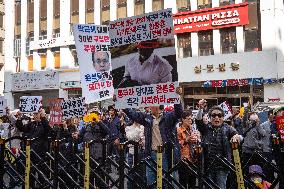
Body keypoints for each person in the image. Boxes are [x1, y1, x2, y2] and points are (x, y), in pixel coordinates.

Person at [121, 87, 183, 186]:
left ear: (158, 104)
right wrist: (121, 102)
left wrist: (177, 96)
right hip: (150, 154)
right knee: (151, 181)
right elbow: (132, 114)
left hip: (165, 155)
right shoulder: (147, 118)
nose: (149, 105)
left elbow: (179, 112)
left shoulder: (168, 117)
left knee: (166, 182)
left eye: (151, 103)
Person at [195, 101, 242, 189]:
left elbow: (238, 135)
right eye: (214, 115)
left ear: (223, 117)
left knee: (221, 187)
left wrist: (237, 137)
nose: (217, 117)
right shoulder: (206, 128)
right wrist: (200, 108)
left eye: (219, 115)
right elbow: (198, 121)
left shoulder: (227, 128)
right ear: (210, 117)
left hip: (223, 166)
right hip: (208, 165)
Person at [177, 110, 200, 188]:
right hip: (184, 159)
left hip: (193, 158)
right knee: (183, 182)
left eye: (191, 119)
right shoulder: (179, 130)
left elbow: (198, 142)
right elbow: (177, 144)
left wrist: (198, 138)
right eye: (188, 119)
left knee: (192, 182)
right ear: (183, 119)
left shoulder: (193, 129)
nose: (190, 121)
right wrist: (186, 140)